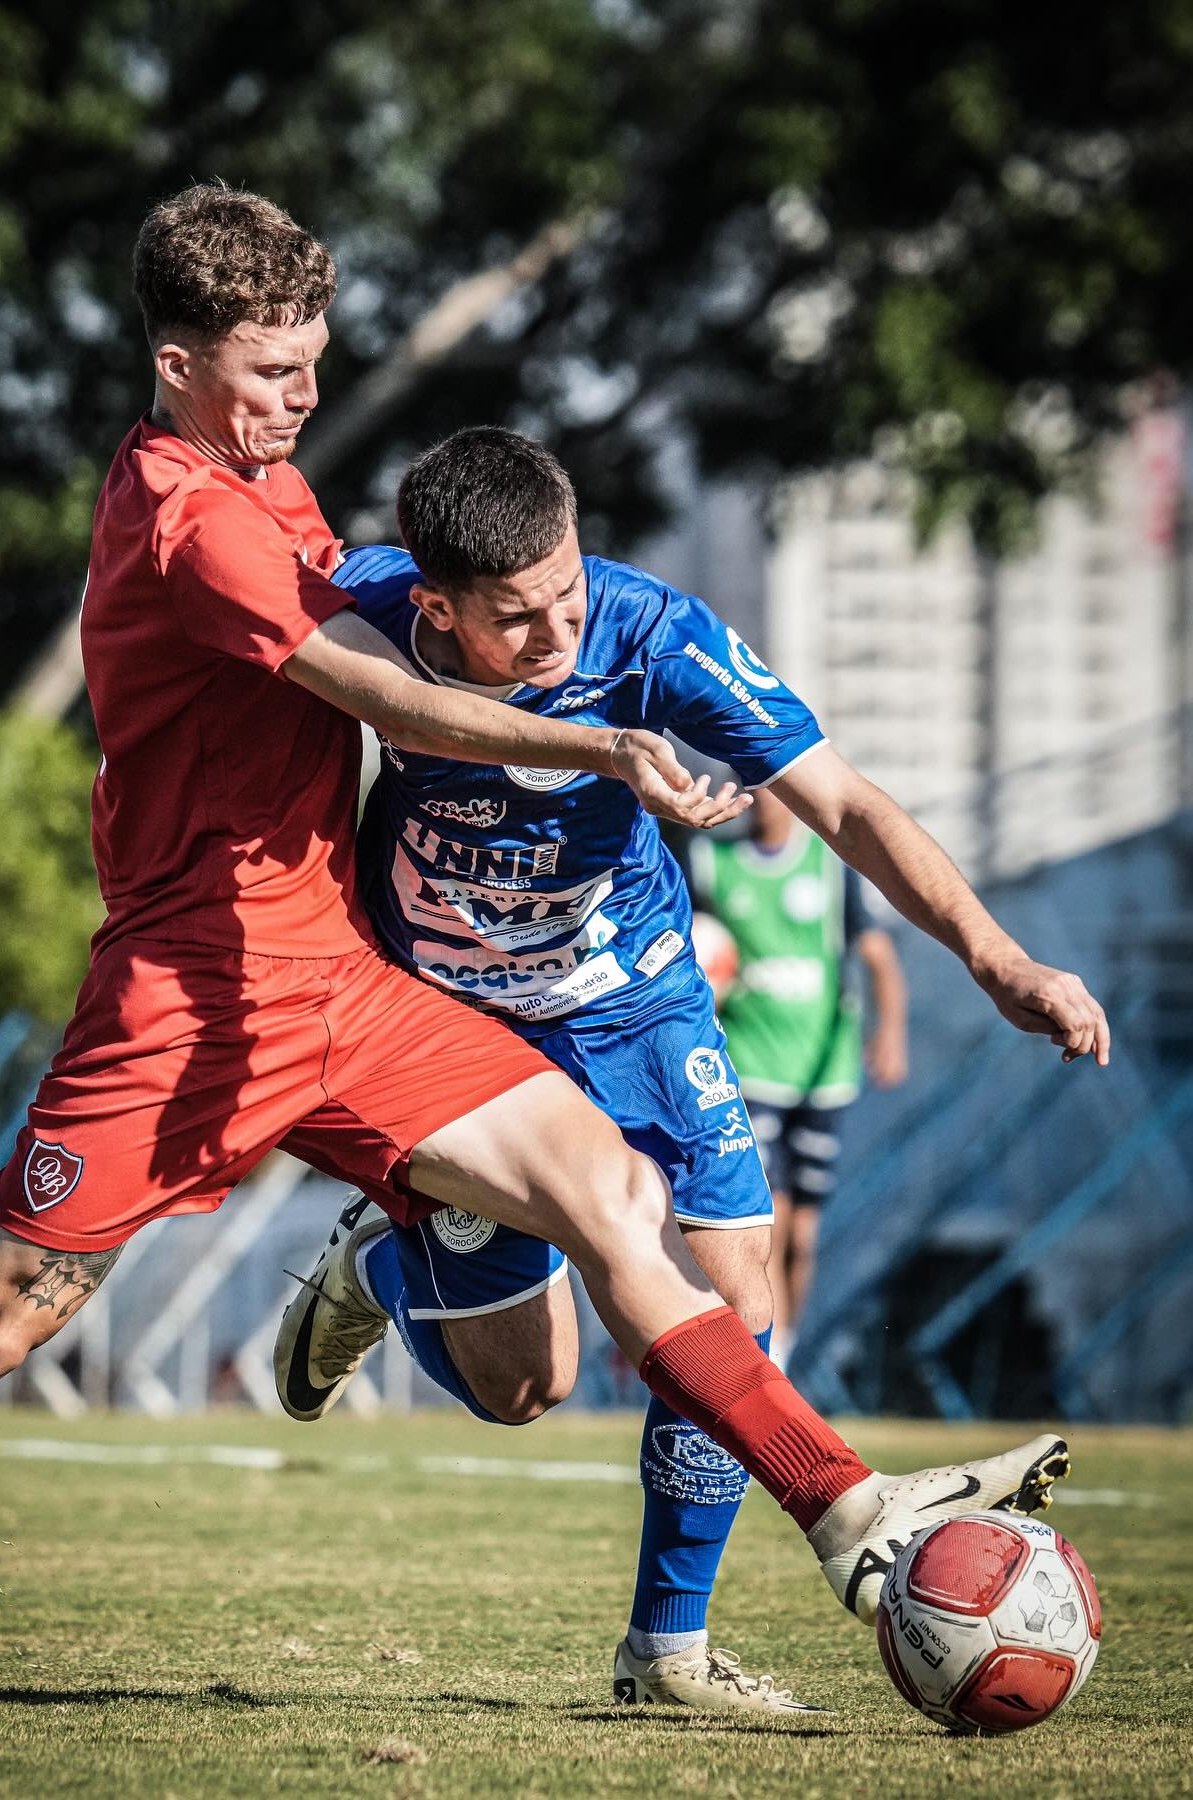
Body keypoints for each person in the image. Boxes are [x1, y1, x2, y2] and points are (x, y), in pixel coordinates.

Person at [0, 186, 1097, 1696]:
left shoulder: (281, 490)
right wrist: (597, 753)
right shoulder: (191, 522)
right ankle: (417, 1271)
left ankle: (842, 1513)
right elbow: (382, 699)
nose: (304, 394)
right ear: (175, 363)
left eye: (316, 358)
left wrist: (992, 956)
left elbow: (837, 796)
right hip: (192, 992)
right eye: (270, 369)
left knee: (614, 1194)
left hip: (351, 979)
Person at [272, 425, 1105, 1709]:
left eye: (569, 590)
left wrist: (995, 958)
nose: (561, 631)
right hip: (448, 1026)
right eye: (520, 618)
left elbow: (848, 804)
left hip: (632, 1000)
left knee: (733, 1286)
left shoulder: (652, 635)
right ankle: (382, 1265)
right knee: (524, 1388)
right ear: (435, 608)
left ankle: (666, 1650)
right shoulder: (364, 608)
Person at [689, 783, 909, 1365]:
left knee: (804, 1234)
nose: (765, 802)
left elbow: (879, 959)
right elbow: (695, 950)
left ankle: (787, 1339)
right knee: (772, 1211)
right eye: (753, 790)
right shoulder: (712, 861)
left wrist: (889, 1034)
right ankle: (772, 1352)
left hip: (824, 1073)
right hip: (750, 1067)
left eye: (774, 790)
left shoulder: (830, 868)